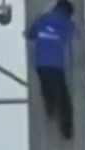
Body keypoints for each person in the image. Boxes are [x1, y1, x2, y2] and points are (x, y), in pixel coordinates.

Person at [25, 0, 75, 140]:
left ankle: (50, 112)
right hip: (56, 65)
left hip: (41, 64)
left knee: (48, 90)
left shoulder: (42, 19)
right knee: (63, 97)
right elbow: (75, 36)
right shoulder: (67, 23)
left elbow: (30, 34)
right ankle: (66, 131)